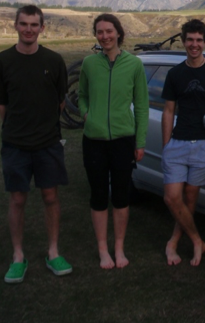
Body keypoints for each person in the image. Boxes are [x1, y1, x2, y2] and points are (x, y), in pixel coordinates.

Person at [0, 5, 72, 283]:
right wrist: (17, 128)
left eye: (34, 25)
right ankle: (18, 256)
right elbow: (2, 104)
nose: (28, 29)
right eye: (24, 24)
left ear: (42, 28)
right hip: (15, 143)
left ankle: (53, 252)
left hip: (48, 143)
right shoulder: (2, 61)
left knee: (50, 196)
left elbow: (60, 101)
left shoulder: (54, 60)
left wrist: (43, 125)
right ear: (15, 25)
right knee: (17, 199)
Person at [78, 14, 149, 269]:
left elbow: (141, 105)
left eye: (109, 31)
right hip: (94, 141)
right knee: (98, 196)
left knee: (120, 197)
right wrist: (86, 114)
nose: (105, 36)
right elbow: (81, 95)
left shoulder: (134, 64)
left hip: (123, 140)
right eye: (100, 32)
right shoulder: (89, 64)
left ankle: (119, 248)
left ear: (118, 33)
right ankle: (102, 250)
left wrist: (139, 142)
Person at [161, 19, 205, 266]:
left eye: (199, 40)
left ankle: (174, 242)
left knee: (190, 198)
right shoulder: (175, 74)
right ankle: (196, 240)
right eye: (190, 40)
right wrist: (166, 145)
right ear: (183, 42)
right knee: (172, 197)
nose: (194, 44)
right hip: (178, 143)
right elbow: (168, 111)